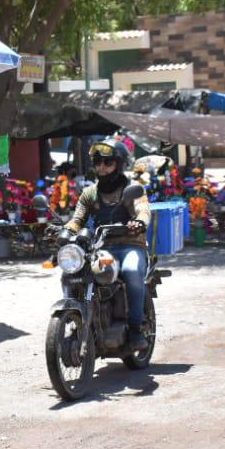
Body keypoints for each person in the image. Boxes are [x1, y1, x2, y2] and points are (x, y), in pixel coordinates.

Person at [64, 139, 151, 346]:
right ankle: (79, 320)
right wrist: (65, 231)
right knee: (71, 273)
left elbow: (143, 209)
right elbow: (77, 219)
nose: (101, 167)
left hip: (130, 246)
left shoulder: (133, 188)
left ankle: (136, 330)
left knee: (131, 271)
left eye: (108, 162)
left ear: (118, 164)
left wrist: (139, 222)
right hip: (101, 248)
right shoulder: (89, 193)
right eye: (97, 162)